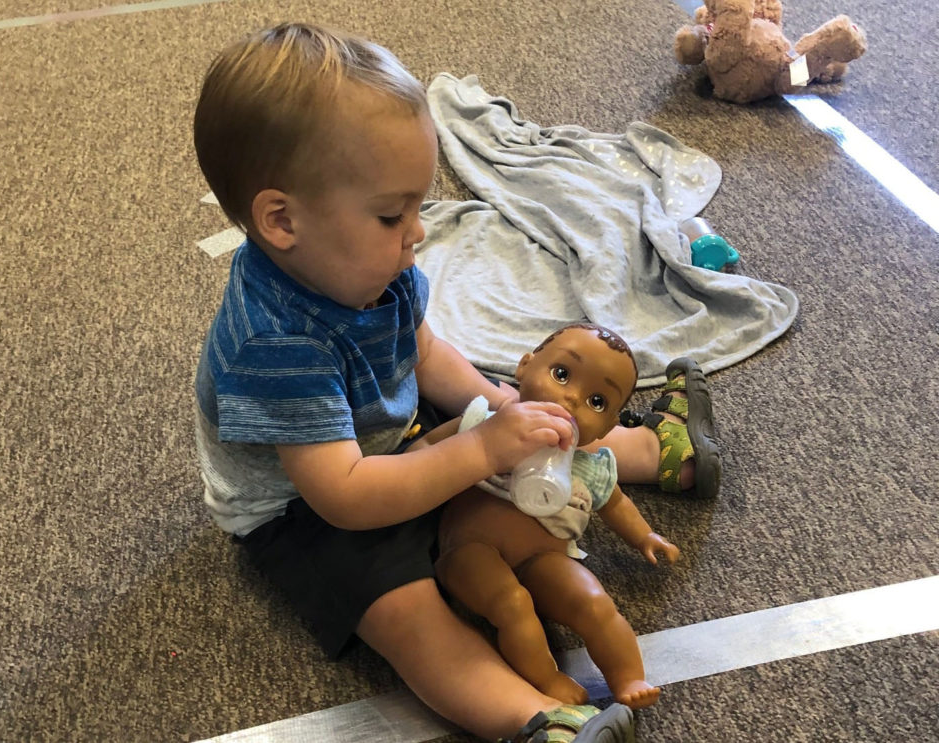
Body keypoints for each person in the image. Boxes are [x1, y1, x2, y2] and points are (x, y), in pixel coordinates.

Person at [192, 21, 718, 742]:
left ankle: (666, 453)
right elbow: (343, 494)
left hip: (386, 436)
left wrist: (504, 411)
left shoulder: (379, 264)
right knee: (405, 610)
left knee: (530, 416)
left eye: (418, 205)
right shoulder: (274, 343)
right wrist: (478, 452)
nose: (418, 233)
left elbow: (427, 353)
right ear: (281, 219)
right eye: (391, 213)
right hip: (304, 505)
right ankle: (536, 721)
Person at [420, 324, 681, 712]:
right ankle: (545, 679)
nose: (572, 399)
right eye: (561, 375)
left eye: (596, 401)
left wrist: (645, 537)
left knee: (594, 602)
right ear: (523, 368)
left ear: (609, 427)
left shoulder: (588, 468)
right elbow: (424, 451)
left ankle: (628, 675)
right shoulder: (482, 423)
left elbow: (616, 504)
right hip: (469, 550)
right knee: (512, 603)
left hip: (545, 559)